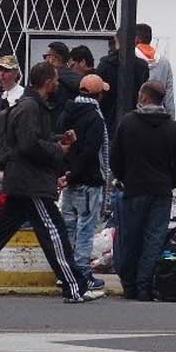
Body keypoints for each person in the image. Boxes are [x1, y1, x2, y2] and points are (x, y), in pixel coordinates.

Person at [0, 63, 103, 304]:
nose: (58, 84)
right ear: (48, 81)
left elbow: (30, 139)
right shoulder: (31, 107)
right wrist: (57, 149)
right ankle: (74, 287)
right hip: (32, 182)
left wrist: (58, 139)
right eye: (56, 80)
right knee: (54, 232)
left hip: (21, 180)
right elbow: (29, 145)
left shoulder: (28, 105)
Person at [103, 79, 176, 302]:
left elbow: (115, 158)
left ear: (144, 97)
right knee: (154, 239)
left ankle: (129, 285)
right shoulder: (172, 127)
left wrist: (125, 178)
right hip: (161, 191)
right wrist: (169, 183)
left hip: (134, 189)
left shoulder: (128, 123)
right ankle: (144, 286)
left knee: (130, 237)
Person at [61, 73, 111, 291]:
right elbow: (91, 152)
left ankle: (65, 272)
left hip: (68, 181)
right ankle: (82, 273)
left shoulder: (67, 113)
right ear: (98, 95)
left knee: (68, 227)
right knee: (85, 229)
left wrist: (66, 175)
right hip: (88, 181)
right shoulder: (95, 118)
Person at [135, 23, 176, 118]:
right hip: (159, 116)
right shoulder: (164, 62)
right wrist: (171, 120)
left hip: (138, 115)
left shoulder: (130, 59)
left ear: (136, 38)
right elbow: (169, 96)